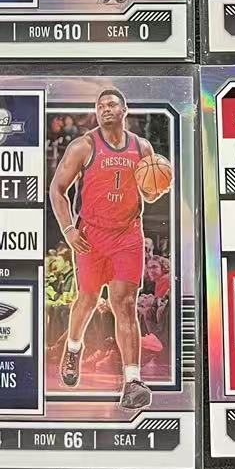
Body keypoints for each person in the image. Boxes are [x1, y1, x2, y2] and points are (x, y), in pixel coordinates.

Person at [48, 88, 170, 411]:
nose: (105, 109)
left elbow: (149, 194)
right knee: (87, 300)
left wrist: (158, 186)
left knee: (125, 304)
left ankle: (133, 382)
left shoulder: (142, 148)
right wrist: (68, 229)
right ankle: (73, 348)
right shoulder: (83, 146)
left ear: (124, 110)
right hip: (91, 237)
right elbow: (57, 189)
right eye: (100, 105)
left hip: (127, 235)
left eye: (112, 104)